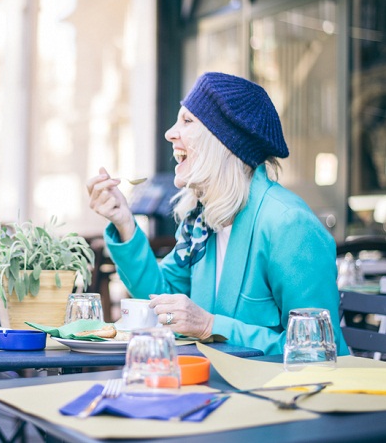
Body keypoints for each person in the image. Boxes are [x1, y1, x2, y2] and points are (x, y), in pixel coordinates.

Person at [86, 72, 349, 356]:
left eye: (187, 121)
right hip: (209, 388)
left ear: (224, 142)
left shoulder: (289, 225)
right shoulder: (204, 221)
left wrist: (210, 325)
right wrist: (124, 222)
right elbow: (160, 299)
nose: (170, 133)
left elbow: (320, 352)